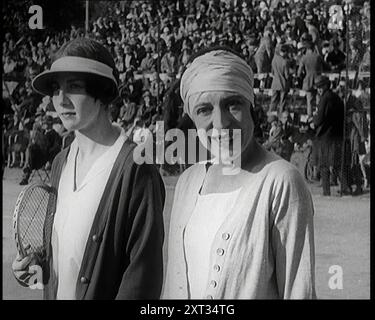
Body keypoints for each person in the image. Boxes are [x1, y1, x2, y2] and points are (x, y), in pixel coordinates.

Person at [12, 38, 165, 300]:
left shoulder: (136, 169)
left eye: (74, 86)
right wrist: (37, 269)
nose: (61, 100)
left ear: (102, 91)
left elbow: (142, 282)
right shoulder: (61, 161)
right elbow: (69, 259)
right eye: (56, 88)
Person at [163, 47, 316, 299]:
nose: (221, 123)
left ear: (251, 106)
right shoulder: (188, 182)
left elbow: (299, 290)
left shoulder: (280, 181)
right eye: (204, 110)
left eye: (232, 104)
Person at [313, 75, 348, 196]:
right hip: (338, 134)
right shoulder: (336, 97)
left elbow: (319, 120)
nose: (318, 89)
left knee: (324, 164)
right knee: (338, 163)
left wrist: (313, 119)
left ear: (325, 86)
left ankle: (326, 191)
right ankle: (344, 187)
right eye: (317, 87)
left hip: (326, 136)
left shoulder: (324, 98)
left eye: (320, 87)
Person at [297, 41, 323, 117]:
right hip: (318, 80)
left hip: (308, 80)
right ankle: (319, 115)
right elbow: (323, 67)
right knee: (318, 99)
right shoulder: (317, 56)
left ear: (307, 49)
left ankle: (309, 118)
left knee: (309, 101)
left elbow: (299, 71)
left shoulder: (304, 58)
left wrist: (299, 76)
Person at [270, 44, 290, 114]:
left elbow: (272, 72)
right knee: (282, 102)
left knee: (273, 101)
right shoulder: (285, 61)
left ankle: (271, 116)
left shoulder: (274, 59)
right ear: (286, 52)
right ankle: (281, 117)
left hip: (275, 84)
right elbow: (287, 75)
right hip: (283, 84)